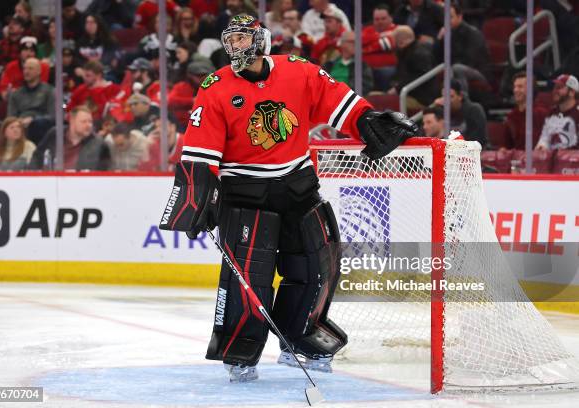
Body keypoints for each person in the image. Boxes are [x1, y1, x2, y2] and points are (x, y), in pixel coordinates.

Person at [159, 15, 418, 383]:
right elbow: (200, 152)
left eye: (241, 38)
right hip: (246, 193)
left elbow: (340, 103)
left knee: (317, 265)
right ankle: (241, 351)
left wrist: (368, 120)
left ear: (261, 39)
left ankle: (303, 338)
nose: (234, 46)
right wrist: (197, 197)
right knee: (249, 278)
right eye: (229, 40)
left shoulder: (298, 70)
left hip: (298, 186)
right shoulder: (214, 87)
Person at [30, 106, 111, 171]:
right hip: (52, 182)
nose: (88, 125)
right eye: (84, 121)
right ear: (72, 121)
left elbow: (105, 170)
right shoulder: (55, 134)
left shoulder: (99, 144)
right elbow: (37, 157)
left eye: (90, 121)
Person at [433, 2, 490, 87]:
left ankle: (462, 98)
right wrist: (439, 40)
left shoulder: (473, 33)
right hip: (455, 67)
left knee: (457, 68)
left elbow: (470, 59)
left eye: (450, 17)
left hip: (478, 71)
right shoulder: (446, 33)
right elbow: (437, 57)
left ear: (460, 17)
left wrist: (449, 67)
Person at [7, 58, 56, 145]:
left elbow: (53, 116)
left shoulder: (50, 91)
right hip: (19, 125)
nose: (26, 71)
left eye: (30, 68)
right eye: (25, 68)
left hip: (41, 125)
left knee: (37, 124)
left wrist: (32, 120)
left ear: (39, 71)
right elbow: (10, 118)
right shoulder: (16, 94)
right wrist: (19, 122)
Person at [388, 25, 437, 109]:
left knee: (383, 101)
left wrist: (397, 89)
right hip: (409, 94)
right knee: (374, 96)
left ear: (401, 42)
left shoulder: (418, 54)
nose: (393, 45)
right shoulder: (407, 52)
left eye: (394, 41)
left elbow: (420, 77)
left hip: (420, 99)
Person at [434, 78, 488, 147]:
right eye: (444, 97)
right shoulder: (441, 111)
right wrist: (436, 109)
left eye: (451, 96)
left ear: (460, 96)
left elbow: (477, 140)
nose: (447, 101)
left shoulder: (474, 110)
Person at [502, 71, 547, 150]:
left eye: (520, 87)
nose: (515, 90)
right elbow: (506, 147)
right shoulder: (511, 116)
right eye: (514, 87)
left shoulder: (541, 113)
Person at [0, 36, 51, 100]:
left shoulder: (43, 67)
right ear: (20, 52)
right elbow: (3, 90)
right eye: (25, 50)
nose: (28, 54)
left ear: (35, 54)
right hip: (15, 101)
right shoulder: (11, 66)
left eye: (31, 51)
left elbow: (41, 90)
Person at [536, 74, 579, 151]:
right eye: (554, 88)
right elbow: (544, 137)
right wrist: (541, 146)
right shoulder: (551, 113)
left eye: (559, 88)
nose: (555, 91)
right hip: (554, 160)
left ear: (572, 92)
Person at [362, 4, 397, 91]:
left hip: (388, 68)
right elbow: (358, 42)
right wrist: (379, 37)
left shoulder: (396, 30)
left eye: (383, 19)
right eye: (377, 19)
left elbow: (387, 44)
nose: (380, 22)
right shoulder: (367, 30)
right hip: (366, 68)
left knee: (384, 73)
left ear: (390, 18)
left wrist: (365, 48)